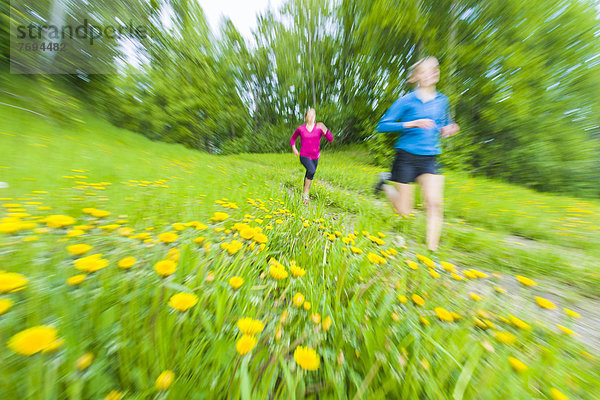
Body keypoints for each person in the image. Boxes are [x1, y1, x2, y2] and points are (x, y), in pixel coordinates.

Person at [374, 57, 459, 252]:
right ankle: (383, 185)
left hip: (430, 158)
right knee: (404, 211)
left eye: (434, 69)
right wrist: (410, 123)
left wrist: (449, 128)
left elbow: (444, 124)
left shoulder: (442, 100)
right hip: (406, 157)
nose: (432, 72)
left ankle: (432, 251)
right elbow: (382, 125)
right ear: (415, 77)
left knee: (434, 203)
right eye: (425, 70)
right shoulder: (406, 101)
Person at [290, 108, 334, 205]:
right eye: (309, 115)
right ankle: (305, 195)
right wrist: (294, 148)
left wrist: (325, 129)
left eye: (313, 115)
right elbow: (292, 139)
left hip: (315, 157)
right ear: (306, 117)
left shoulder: (319, 127)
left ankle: (304, 192)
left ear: (315, 116)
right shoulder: (300, 129)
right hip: (304, 155)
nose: (311, 117)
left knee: (309, 174)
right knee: (311, 170)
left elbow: (331, 139)